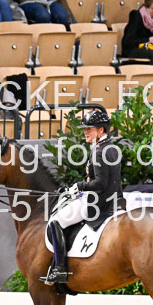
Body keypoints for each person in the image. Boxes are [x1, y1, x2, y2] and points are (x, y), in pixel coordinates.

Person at [42, 108, 125, 284]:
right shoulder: (112, 148)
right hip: (113, 200)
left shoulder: (100, 151)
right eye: (85, 129)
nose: (85, 132)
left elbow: (100, 183)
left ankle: (60, 268)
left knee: (56, 221)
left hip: (97, 204)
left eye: (89, 129)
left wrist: (79, 186)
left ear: (101, 130)